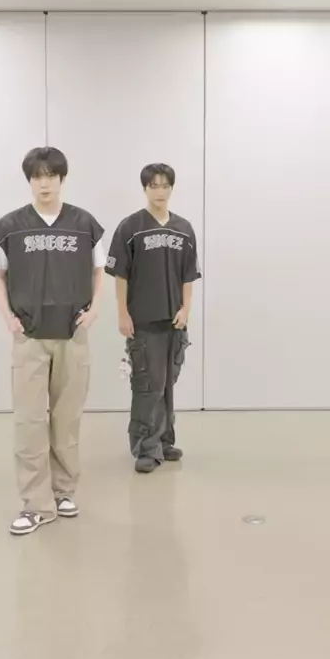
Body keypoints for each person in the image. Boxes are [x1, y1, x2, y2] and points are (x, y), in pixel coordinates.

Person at [0, 147, 105, 535]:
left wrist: (94, 310)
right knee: (29, 421)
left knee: (67, 419)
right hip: (30, 338)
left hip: (72, 336)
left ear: (61, 179)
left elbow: (99, 270)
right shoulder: (11, 227)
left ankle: (63, 491)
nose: (44, 183)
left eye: (51, 176)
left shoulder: (84, 224)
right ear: (29, 181)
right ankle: (35, 504)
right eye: (37, 176)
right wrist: (8, 317)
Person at [105, 163, 201, 473]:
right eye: (153, 185)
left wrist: (186, 309)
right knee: (148, 385)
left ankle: (164, 441)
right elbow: (120, 275)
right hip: (143, 320)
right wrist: (123, 313)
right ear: (144, 188)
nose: (159, 191)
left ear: (172, 188)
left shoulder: (183, 229)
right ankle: (145, 448)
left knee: (167, 384)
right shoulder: (131, 227)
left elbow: (189, 275)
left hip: (174, 320)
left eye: (165, 185)